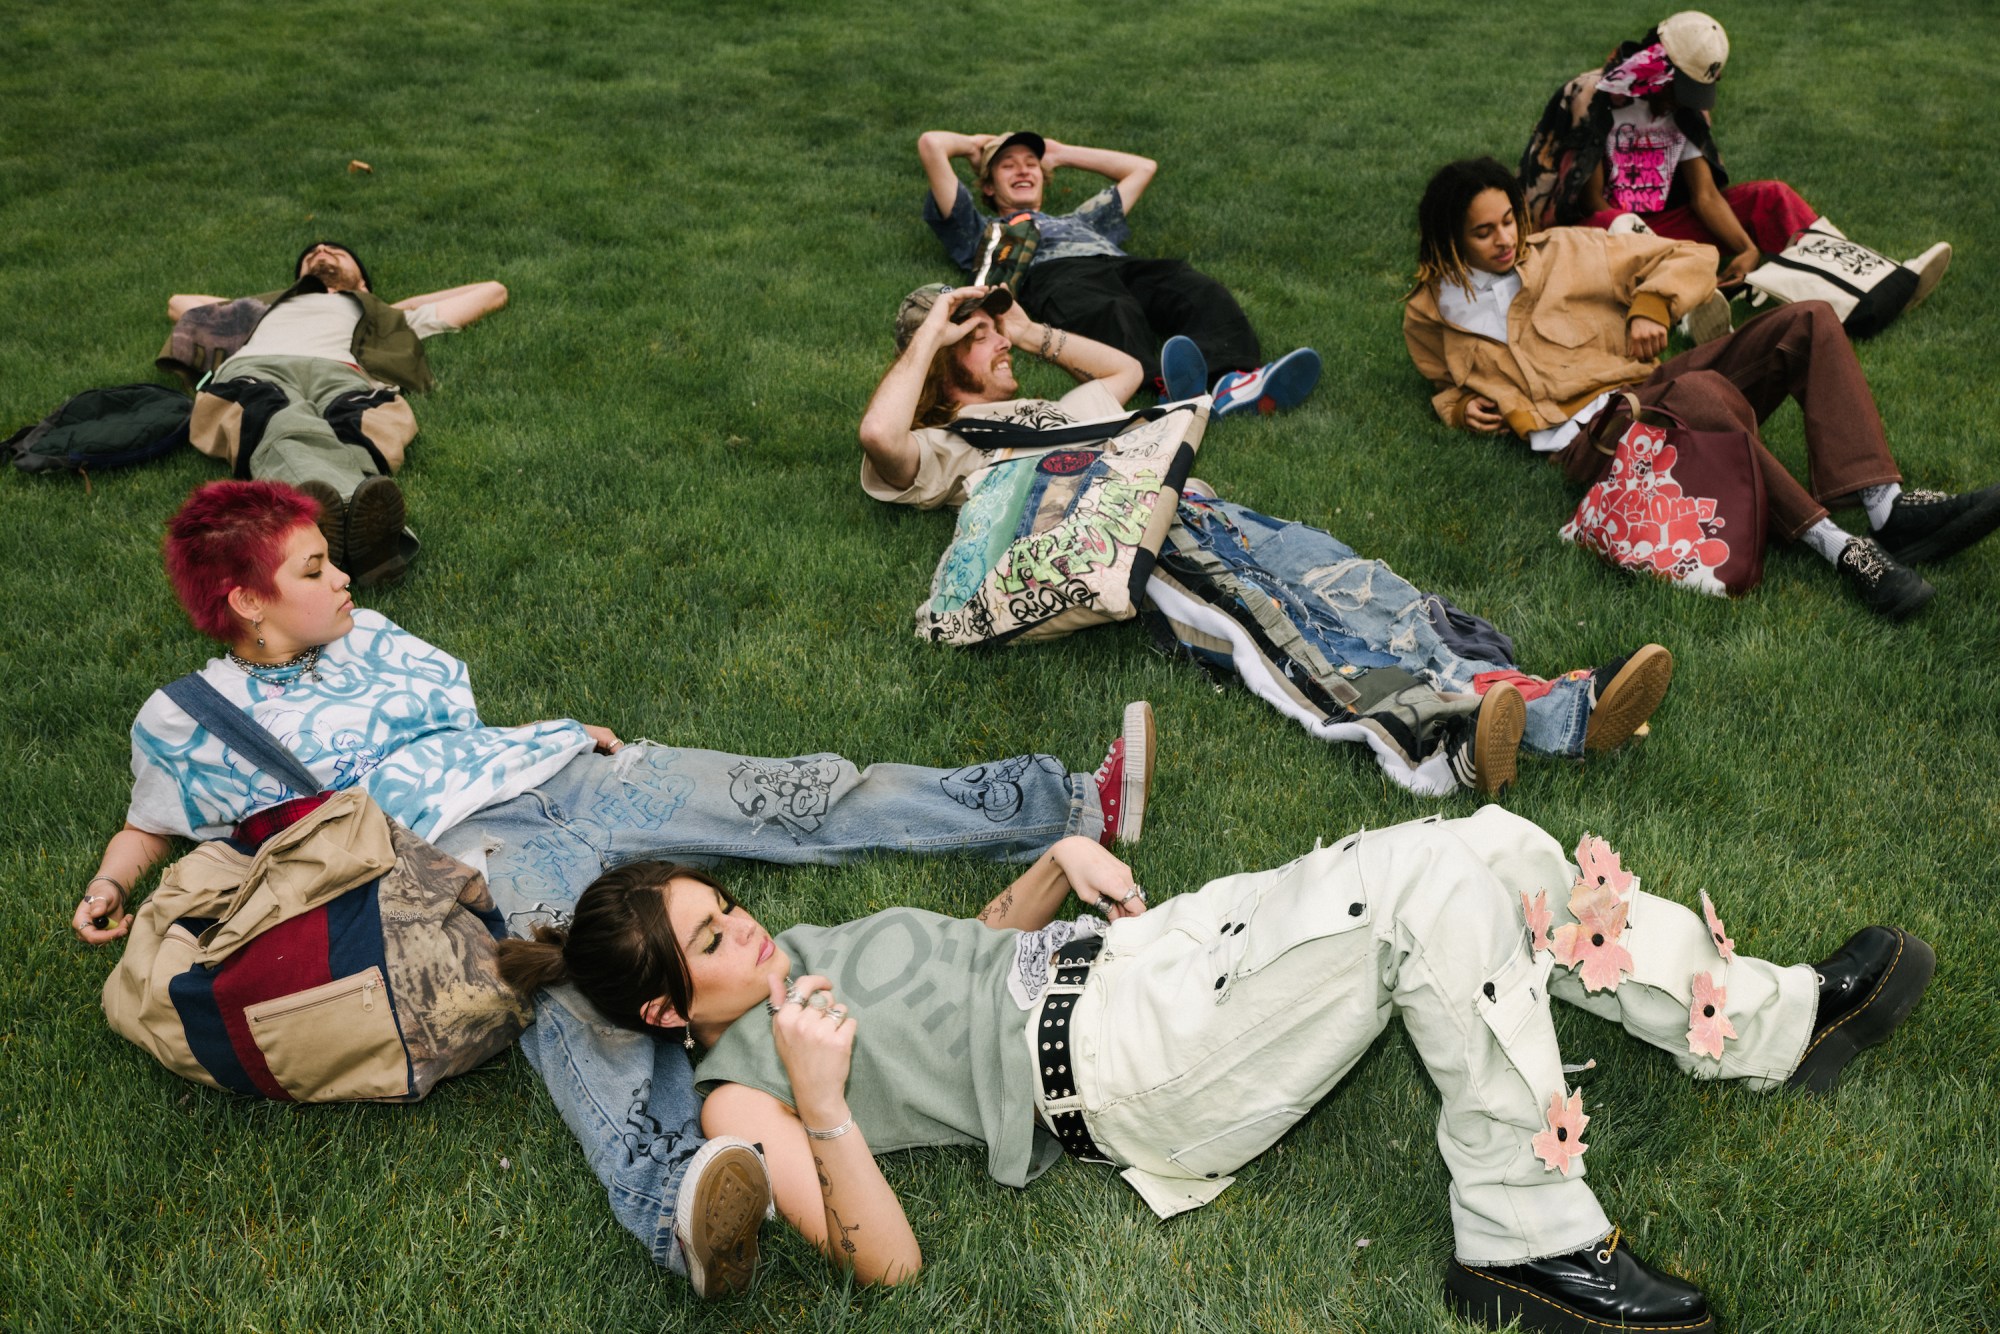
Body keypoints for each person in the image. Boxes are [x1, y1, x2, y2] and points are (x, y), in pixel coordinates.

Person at [72, 478, 1157, 1297]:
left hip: (566, 772)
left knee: (797, 793)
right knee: (584, 994)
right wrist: (115, 882)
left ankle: (1056, 802)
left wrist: (557, 737)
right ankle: (675, 1205)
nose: (343, 575)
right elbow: (151, 819)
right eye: (311, 568)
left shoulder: (372, 633)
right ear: (244, 603)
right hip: (478, 846)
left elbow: (453, 725)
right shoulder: (192, 720)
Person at [500, 808, 1933, 1333]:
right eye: (714, 935)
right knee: (1432, 888)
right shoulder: (745, 1093)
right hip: (1131, 1069)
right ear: (678, 1010)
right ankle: (1526, 1238)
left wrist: (1045, 873)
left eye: (720, 899)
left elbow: (953, 959)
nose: (743, 922)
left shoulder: (798, 943)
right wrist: (821, 1104)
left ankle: (1771, 1023)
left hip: (1138, 962)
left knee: (1486, 842)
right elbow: (887, 1270)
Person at [860, 282, 1675, 796]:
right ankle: (1441, 748)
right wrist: (935, 325)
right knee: (1288, 627)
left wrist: (1027, 328)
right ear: (939, 362)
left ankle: (1553, 705)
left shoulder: (1049, 410)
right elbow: (880, 436)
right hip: (1146, 553)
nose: (999, 342)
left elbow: (1125, 373)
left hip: (1210, 511)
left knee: (1368, 589)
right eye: (981, 338)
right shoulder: (951, 444)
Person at [1403, 157, 2000, 620]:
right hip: (1593, 443)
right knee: (1699, 397)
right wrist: (1459, 409)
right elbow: (1442, 380)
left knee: (1810, 319)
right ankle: (1841, 548)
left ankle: (1885, 506)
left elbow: (1688, 253)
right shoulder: (1429, 315)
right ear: (1450, 239)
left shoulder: (1566, 248)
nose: (1506, 239)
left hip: (1647, 385)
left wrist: (1649, 305)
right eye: (1484, 233)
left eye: (1509, 220)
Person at [1517, 10, 1950, 309]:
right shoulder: (1594, 98)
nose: (1678, 104)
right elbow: (1592, 206)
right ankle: (1689, 305)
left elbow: (1705, 195)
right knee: (1614, 226)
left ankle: (1880, 284)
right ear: (1658, 66)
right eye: (1676, 91)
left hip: (1664, 232)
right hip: (1602, 237)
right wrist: (1659, 250)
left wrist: (1746, 249)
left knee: (1773, 197)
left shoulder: (1685, 111)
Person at [160, 242, 511, 585]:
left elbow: (492, 291)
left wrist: (381, 304)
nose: (321, 252)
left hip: (345, 374)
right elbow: (180, 304)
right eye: (312, 255)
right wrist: (271, 302)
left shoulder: (383, 316)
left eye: (336, 253)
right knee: (277, 418)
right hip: (261, 367)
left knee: (361, 427)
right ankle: (363, 529)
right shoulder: (264, 308)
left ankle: (318, 526)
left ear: (362, 280)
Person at [916, 129, 1322, 416]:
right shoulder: (980, 230)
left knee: (1193, 288)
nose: (1023, 170)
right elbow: (932, 143)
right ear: (987, 186)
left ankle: (1233, 380)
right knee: (1111, 309)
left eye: (1031, 164)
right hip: (1054, 276)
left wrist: (1059, 152)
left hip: (1119, 264)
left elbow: (1142, 168)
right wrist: (977, 147)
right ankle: (1165, 387)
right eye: (1007, 166)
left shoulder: (1082, 219)